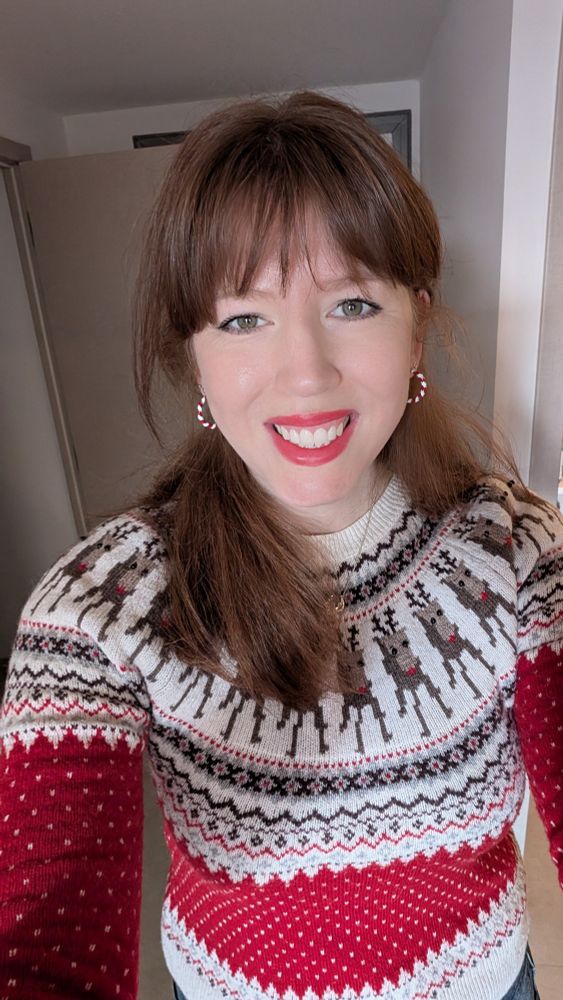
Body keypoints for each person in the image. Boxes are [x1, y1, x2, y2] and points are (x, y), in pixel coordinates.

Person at [0, 91, 561, 1000]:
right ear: (195, 356)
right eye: (243, 318)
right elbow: (46, 924)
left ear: (415, 322)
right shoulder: (99, 608)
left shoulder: (517, 556)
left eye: (350, 302)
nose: (306, 372)